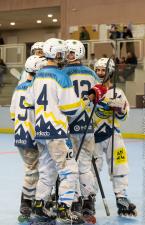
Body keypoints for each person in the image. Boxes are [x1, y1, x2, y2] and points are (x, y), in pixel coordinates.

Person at [24, 38, 87, 224]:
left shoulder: (37, 77)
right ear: (57, 54)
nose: (64, 57)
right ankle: (64, 210)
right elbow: (71, 108)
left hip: (41, 131)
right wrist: (86, 100)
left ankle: (39, 206)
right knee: (69, 171)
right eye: (62, 53)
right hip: (57, 132)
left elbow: (28, 101)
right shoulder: (61, 77)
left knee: (47, 171)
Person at [91, 57, 137, 216]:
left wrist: (120, 110)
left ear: (110, 71)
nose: (100, 73)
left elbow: (124, 117)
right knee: (92, 169)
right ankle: (89, 198)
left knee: (119, 163)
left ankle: (121, 196)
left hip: (114, 135)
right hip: (95, 136)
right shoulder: (92, 90)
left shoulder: (118, 93)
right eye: (98, 70)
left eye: (103, 70)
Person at [63, 39, 102, 220]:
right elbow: (100, 95)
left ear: (78, 53)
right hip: (87, 125)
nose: (68, 56)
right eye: (67, 52)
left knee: (73, 165)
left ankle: (78, 200)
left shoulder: (63, 73)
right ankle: (88, 201)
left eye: (71, 53)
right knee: (84, 165)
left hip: (70, 124)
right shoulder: (92, 74)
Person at [10, 55, 47, 222]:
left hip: (20, 133)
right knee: (34, 171)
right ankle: (26, 204)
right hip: (33, 135)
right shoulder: (37, 88)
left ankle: (32, 202)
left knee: (33, 169)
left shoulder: (18, 88)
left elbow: (12, 113)